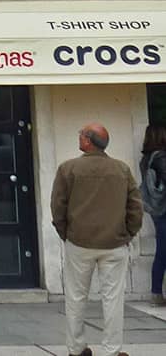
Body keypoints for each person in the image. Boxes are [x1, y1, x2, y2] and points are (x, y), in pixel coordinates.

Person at [51, 123, 143, 356]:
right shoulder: (121, 169)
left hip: (79, 242)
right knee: (113, 299)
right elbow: (135, 207)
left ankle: (76, 347)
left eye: (81, 134)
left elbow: (58, 206)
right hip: (114, 243)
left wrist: (65, 233)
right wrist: (128, 233)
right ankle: (112, 350)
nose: (79, 137)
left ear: (87, 141)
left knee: (75, 297)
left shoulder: (68, 169)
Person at [139, 124, 166, 305]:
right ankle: (156, 293)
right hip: (165, 207)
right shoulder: (161, 157)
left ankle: (156, 293)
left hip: (156, 209)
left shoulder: (146, 159)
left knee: (162, 250)